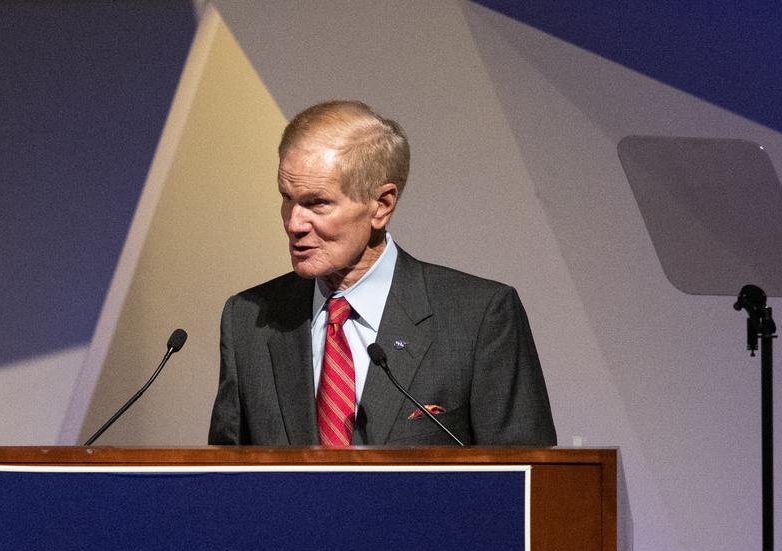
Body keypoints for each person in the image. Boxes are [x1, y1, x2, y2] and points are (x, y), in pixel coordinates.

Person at [208, 100, 555, 446]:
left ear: (382, 205)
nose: (294, 223)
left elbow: (528, 473)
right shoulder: (248, 320)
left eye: (317, 203)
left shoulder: (479, 317)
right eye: (287, 198)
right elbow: (224, 471)